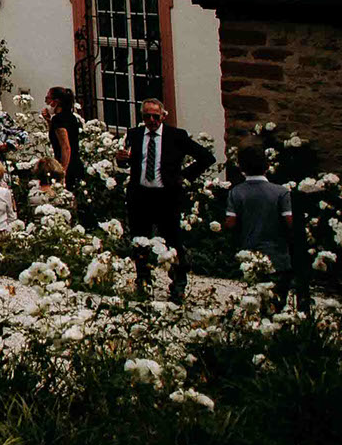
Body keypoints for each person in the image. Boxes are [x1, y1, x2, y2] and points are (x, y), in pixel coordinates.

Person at [125, 97, 211, 301]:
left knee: (173, 241)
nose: (152, 120)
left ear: (163, 116)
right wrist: (122, 161)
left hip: (166, 197)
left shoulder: (175, 136)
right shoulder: (135, 135)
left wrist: (184, 176)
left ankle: (178, 284)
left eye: (156, 116)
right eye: (147, 116)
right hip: (141, 196)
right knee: (139, 241)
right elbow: (130, 163)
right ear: (142, 117)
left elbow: (206, 157)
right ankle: (143, 282)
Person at [225, 145, 298, 311]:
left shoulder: (236, 192)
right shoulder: (281, 192)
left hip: (250, 257)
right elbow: (289, 222)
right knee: (278, 306)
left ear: (242, 167)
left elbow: (230, 223)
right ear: (266, 166)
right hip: (278, 257)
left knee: (254, 305)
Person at [43, 86, 85, 196]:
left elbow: (65, 146)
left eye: (48, 99)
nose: (46, 102)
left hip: (68, 166)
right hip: (76, 163)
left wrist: (62, 172)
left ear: (55, 102)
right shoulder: (71, 118)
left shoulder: (58, 120)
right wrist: (49, 121)